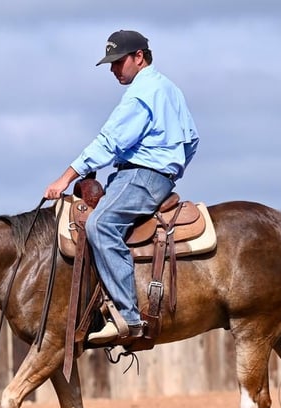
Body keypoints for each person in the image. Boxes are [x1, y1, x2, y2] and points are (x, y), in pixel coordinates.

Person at [44, 30, 199, 345]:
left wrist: (66, 178)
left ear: (139, 57)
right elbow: (192, 139)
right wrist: (172, 168)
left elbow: (110, 141)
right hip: (156, 175)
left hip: (141, 175)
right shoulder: (170, 89)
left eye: (118, 62)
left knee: (101, 224)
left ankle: (128, 317)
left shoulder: (142, 93)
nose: (114, 70)